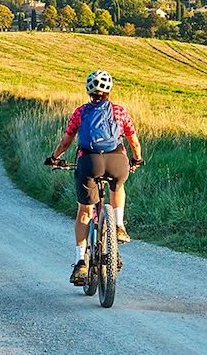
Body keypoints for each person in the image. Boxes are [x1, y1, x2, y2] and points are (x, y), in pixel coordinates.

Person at [45, 70, 143, 285]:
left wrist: (54, 158)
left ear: (88, 90)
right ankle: (118, 225)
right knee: (117, 187)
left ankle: (81, 262)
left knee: (85, 211)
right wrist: (137, 159)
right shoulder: (119, 111)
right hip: (117, 161)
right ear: (109, 90)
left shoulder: (80, 112)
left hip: (89, 162)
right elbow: (134, 141)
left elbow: (65, 142)